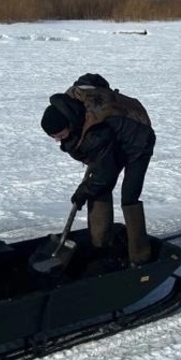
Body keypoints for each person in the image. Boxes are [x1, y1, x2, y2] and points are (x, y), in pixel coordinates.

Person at [40, 73, 156, 266]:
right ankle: (100, 244)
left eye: (59, 134)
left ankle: (140, 256)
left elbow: (105, 175)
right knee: (98, 188)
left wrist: (83, 190)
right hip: (115, 137)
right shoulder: (73, 97)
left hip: (139, 138)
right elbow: (89, 79)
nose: (57, 140)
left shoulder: (95, 134)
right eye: (53, 136)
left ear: (68, 123)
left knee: (129, 196)